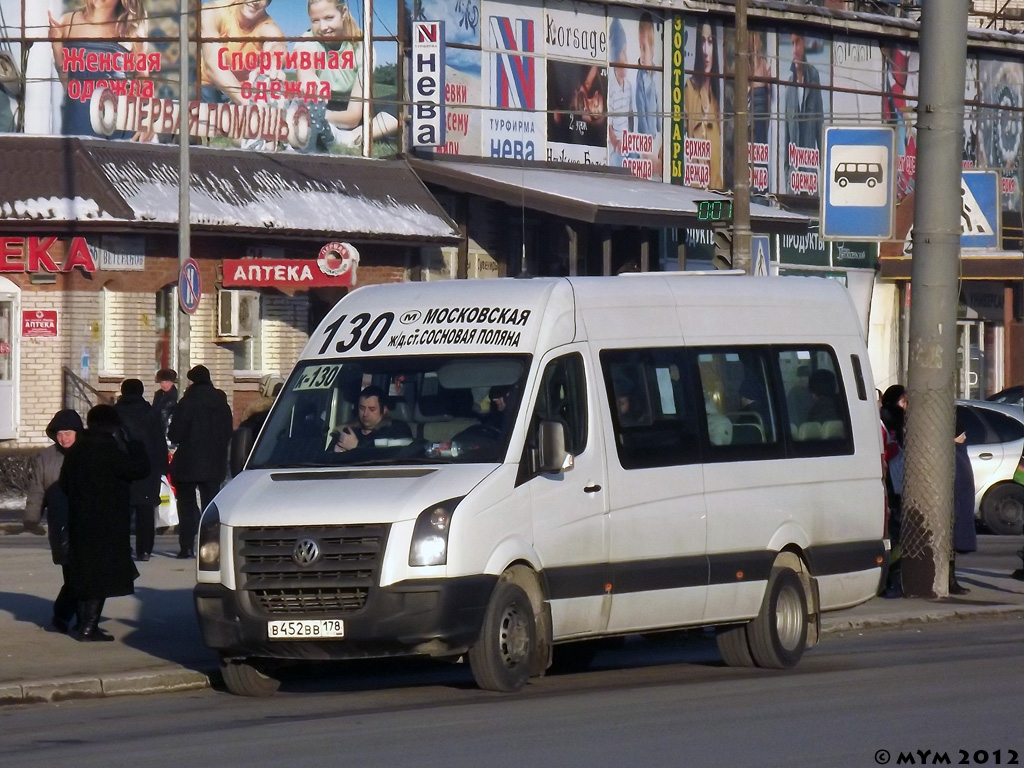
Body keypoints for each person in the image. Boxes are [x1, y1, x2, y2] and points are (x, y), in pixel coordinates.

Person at [60, 404, 149, 641]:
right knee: (100, 576)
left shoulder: (76, 452)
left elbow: (64, 486)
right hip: (108, 524)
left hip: (79, 522)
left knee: (83, 573)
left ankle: (83, 624)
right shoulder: (111, 452)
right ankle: (89, 627)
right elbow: (140, 470)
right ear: (113, 427)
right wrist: (135, 446)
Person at [296, 0, 399, 151]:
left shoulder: (363, 49)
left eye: (329, 18)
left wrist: (322, 117)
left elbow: (353, 116)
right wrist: (311, 86)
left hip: (347, 112)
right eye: (315, 21)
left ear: (344, 12)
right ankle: (317, 127)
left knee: (404, 103)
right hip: (321, 104)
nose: (323, 27)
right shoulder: (307, 42)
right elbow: (306, 75)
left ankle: (350, 137)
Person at [48, 0, 149, 140]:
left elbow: (143, 80)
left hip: (119, 124)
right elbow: (66, 83)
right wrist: (56, 45)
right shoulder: (68, 22)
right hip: (78, 120)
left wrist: (146, 122)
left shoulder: (131, 28)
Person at [24, 409, 84, 633]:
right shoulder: (46, 457)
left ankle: (78, 618)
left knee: (82, 572)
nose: (64, 438)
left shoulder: (87, 453)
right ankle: (67, 615)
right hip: (60, 523)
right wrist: (32, 517)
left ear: (77, 433)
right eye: (59, 434)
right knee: (71, 572)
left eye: (68, 433)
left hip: (85, 522)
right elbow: (37, 490)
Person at [168, 365, 234, 559]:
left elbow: (175, 434)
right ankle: (211, 546)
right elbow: (228, 432)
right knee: (211, 505)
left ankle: (186, 546)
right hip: (214, 462)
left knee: (186, 505)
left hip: (188, 462)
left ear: (192, 381)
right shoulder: (221, 403)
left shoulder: (187, 402)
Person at [114, 378, 169, 562]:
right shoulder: (150, 413)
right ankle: (144, 550)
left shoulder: (115, 413)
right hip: (148, 468)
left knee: (121, 510)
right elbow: (159, 441)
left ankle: (121, 547)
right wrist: (163, 467)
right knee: (145, 511)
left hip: (122, 467)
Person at [200, 0, 287, 106]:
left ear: (268, 3)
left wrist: (272, 65)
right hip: (207, 86)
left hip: (242, 89)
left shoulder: (267, 27)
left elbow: (276, 45)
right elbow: (213, 66)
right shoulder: (213, 11)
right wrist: (249, 102)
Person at [683, 20, 723, 189]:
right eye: (702, 42)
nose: (706, 51)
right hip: (691, 191)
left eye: (710, 42)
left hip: (715, 192)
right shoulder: (689, 89)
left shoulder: (716, 100)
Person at [784, 32, 824, 194]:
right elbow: (786, 136)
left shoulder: (814, 79)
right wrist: (788, 174)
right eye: (792, 43)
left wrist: (824, 174)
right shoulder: (789, 86)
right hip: (794, 175)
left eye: (797, 43)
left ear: (804, 43)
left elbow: (820, 128)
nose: (794, 49)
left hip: (810, 173)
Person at [879, 384, 906, 598]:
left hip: (895, 483)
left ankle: (894, 579)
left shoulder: (892, 423)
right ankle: (891, 580)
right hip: (889, 484)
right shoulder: (883, 424)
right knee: (893, 535)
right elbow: (885, 452)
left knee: (896, 533)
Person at [332, 385, 412, 452]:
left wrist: (357, 447)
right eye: (362, 408)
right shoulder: (349, 431)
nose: (365, 414)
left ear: (383, 410)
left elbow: (392, 458)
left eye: (372, 409)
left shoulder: (398, 429)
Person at [951, 420, 977, 595]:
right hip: (956, 508)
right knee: (950, 546)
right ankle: (950, 581)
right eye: (962, 435)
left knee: (953, 547)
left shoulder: (959, 453)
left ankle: (951, 580)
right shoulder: (954, 455)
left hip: (960, 507)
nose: (965, 437)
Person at [606, 18, 634, 168]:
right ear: (615, 58)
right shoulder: (610, 88)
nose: (627, 58)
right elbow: (608, 126)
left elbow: (630, 118)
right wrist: (616, 143)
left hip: (627, 144)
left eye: (626, 51)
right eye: (623, 52)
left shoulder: (629, 87)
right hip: (615, 148)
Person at [748, 30, 772, 147]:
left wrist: (768, 81)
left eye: (756, 42)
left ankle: (762, 163)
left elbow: (769, 91)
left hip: (762, 107)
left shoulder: (763, 63)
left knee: (761, 136)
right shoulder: (747, 65)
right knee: (751, 135)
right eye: (752, 42)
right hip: (752, 105)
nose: (755, 45)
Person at [152, 368, 178, 446]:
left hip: (170, 430)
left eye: (166, 382)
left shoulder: (177, 395)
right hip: (158, 429)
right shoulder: (159, 395)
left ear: (172, 382)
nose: (164, 385)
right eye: (162, 382)